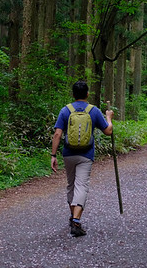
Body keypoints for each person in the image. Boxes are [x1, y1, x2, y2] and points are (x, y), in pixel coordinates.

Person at [51, 80, 113, 237]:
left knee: (71, 185)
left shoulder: (66, 110)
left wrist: (53, 155)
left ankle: (73, 217)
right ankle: (76, 221)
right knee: (82, 186)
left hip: (68, 154)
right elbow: (108, 131)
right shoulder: (93, 111)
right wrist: (109, 117)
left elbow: (58, 134)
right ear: (87, 94)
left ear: (73, 94)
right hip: (86, 155)